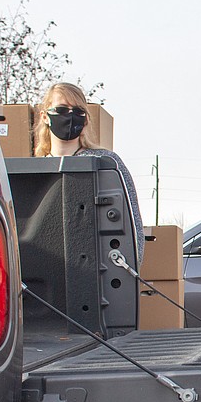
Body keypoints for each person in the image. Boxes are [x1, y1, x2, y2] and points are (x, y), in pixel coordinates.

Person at [34, 82, 144, 265]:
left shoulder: (107, 162)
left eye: (78, 111)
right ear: (45, 116)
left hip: (98, 273)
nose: (70, 116)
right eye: (62, 109)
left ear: (85, 119)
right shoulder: (34, 171)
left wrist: (129, 271)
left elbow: (134, 227)